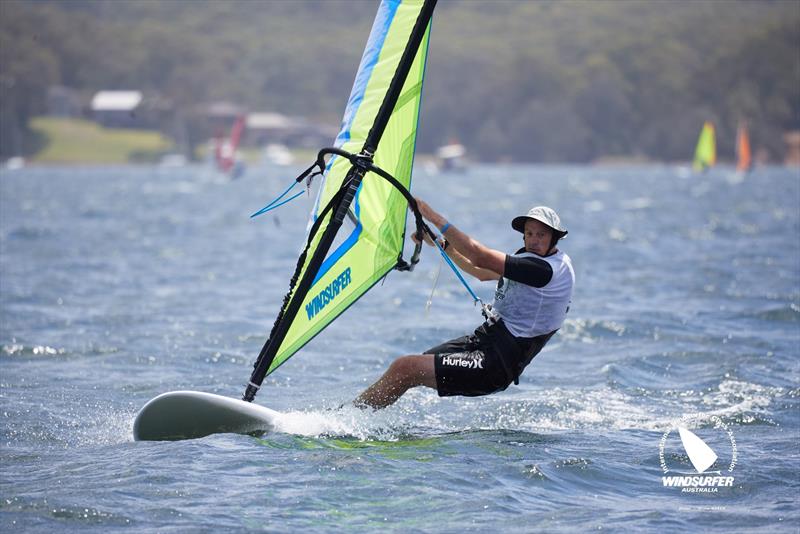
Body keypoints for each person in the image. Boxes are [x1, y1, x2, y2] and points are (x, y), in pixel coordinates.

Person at [354, 198, 575, 409]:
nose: (534, 240)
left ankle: (350, 419)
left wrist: (432, 216)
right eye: (529, 233)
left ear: (554, 238)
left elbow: (480, 257)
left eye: (541, 235)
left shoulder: (544, 270)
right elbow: (480, 271)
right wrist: (443, 244)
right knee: (414, 367)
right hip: (484, 341)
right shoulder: (533, 261)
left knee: (406, 367)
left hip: (495, 364)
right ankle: (360, 418)